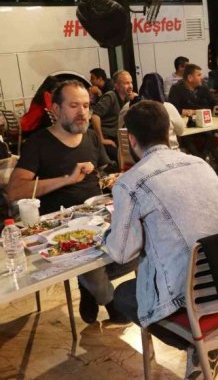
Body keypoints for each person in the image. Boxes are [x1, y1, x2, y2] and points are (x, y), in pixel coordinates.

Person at [105, 101, 218, 379]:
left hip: (189, 295)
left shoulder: (130, 182)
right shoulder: (200, 164)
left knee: (123, 295)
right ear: (168, 131)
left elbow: (121, 253)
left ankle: (198, 345)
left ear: (131, 139)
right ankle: (205, 344)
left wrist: (107, 233)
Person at [7, 80, 130, 323]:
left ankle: (88, 285)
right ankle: (108, 299)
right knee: (89, 258)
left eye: (85, 106)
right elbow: (14, 191)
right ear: (56, 109)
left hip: (99, 216)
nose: (82, 112)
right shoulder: (38, 143)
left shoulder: (91, 137)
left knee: (139, 241)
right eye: (74, 106)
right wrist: (66, 179)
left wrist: (114, 180)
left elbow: (103, 174)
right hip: (61, 227)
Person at [119, 73, 185, 150]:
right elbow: (181, 130)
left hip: (139, 154)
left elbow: (121, 133)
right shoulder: (168, 107)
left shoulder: (127, 107)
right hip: (169, 151)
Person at [91, 70, 137, 161]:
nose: (130, 86)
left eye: (131, 82)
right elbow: (95, 116)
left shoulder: (128, 98)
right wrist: (102, 139)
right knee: (122, 159)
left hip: (117, 137)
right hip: (106, 136)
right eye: (126, 83)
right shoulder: (110, 96)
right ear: (116, 85)